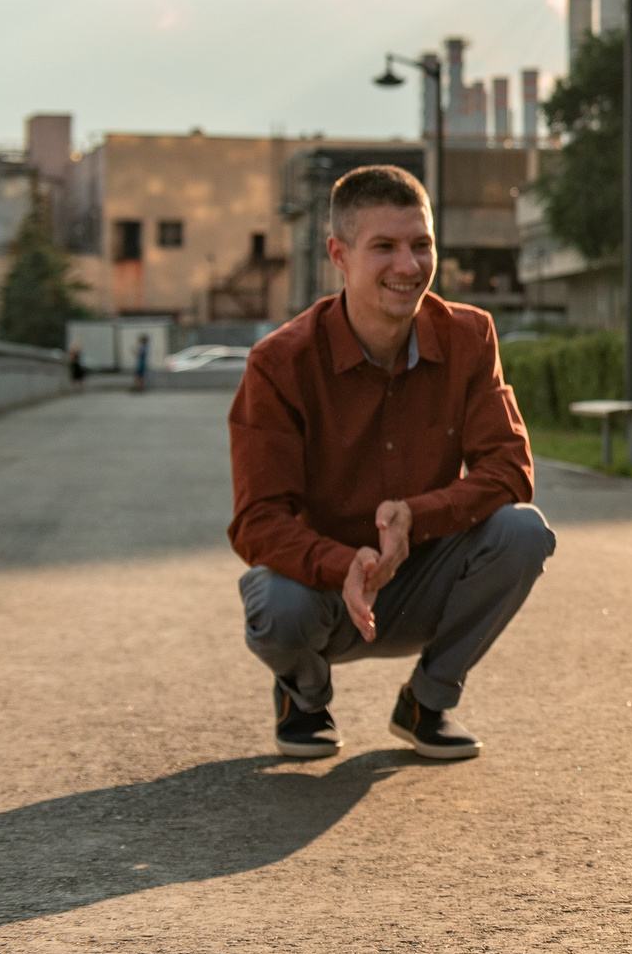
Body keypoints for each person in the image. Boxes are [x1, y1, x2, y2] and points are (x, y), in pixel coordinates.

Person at [228, 164, 554, 762]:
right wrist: (341, 562)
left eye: (421, 244)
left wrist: (415, 517)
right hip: (324, 592)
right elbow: (258, 520)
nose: (409, 266)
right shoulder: (278, 364)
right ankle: (304, 697)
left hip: (423, 579)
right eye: (384, 247)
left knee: (523, 531)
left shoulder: (469, 336)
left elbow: (510, 468)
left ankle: (426, 703)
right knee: (277, 605)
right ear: (339, 254)